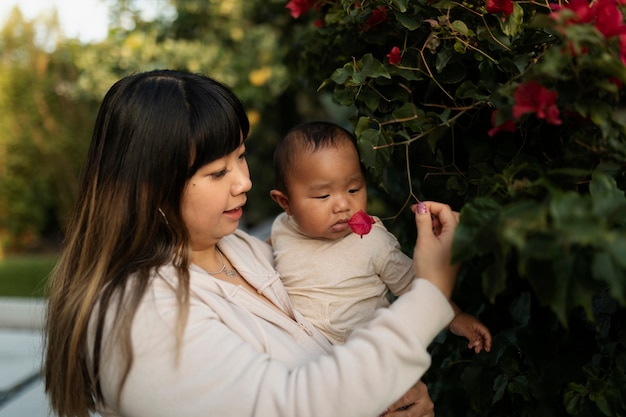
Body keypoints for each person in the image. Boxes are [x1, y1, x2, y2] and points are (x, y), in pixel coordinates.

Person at [44, 69, 460, 417]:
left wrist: (390, 396)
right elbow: (287, 406)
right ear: (149, 187)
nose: (245, 182)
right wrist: (429, 293)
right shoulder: (138, 314)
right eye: (216, 172)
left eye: (240, 156)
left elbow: (328, 365)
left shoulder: (248, 248)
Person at [270, 121, 491, 350]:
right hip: (302, 357)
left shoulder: (374, 242)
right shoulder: (282, 229)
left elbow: (415, 284)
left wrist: (455, 318)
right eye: (323, 196)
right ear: (286, 203)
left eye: (353, 190)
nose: (343, 205)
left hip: (365, 355)